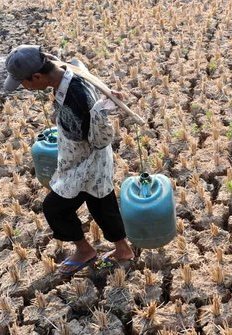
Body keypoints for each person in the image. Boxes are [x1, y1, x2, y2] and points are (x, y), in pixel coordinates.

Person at [3, 45, 134, 275]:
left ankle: (84, 250)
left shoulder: (75, 96)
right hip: (93, 160)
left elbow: (86, 136)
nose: (25, 88)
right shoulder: (63, 67)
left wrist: (96, 111)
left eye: (24, 83)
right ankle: (123, 251)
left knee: (54, 208)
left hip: (86, 162)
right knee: (101, 204)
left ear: (37, 76)